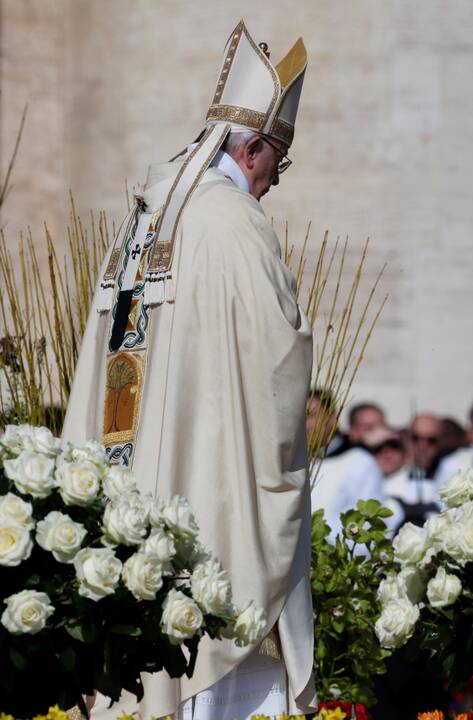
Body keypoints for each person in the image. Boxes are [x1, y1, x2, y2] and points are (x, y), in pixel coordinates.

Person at [62, 20, 317, 720]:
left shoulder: (145, 213)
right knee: (216, 636)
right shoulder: (233, 220)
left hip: (131, 476)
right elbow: (278, 361)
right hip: (207, 489)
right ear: (256, 146)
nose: (271, 184)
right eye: (276, 166)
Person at [306, 392, 400, 538]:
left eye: (311, 415)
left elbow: (365, 524)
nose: (305, 424)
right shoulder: (296, 460)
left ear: (332, 417)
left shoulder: (360, 462)